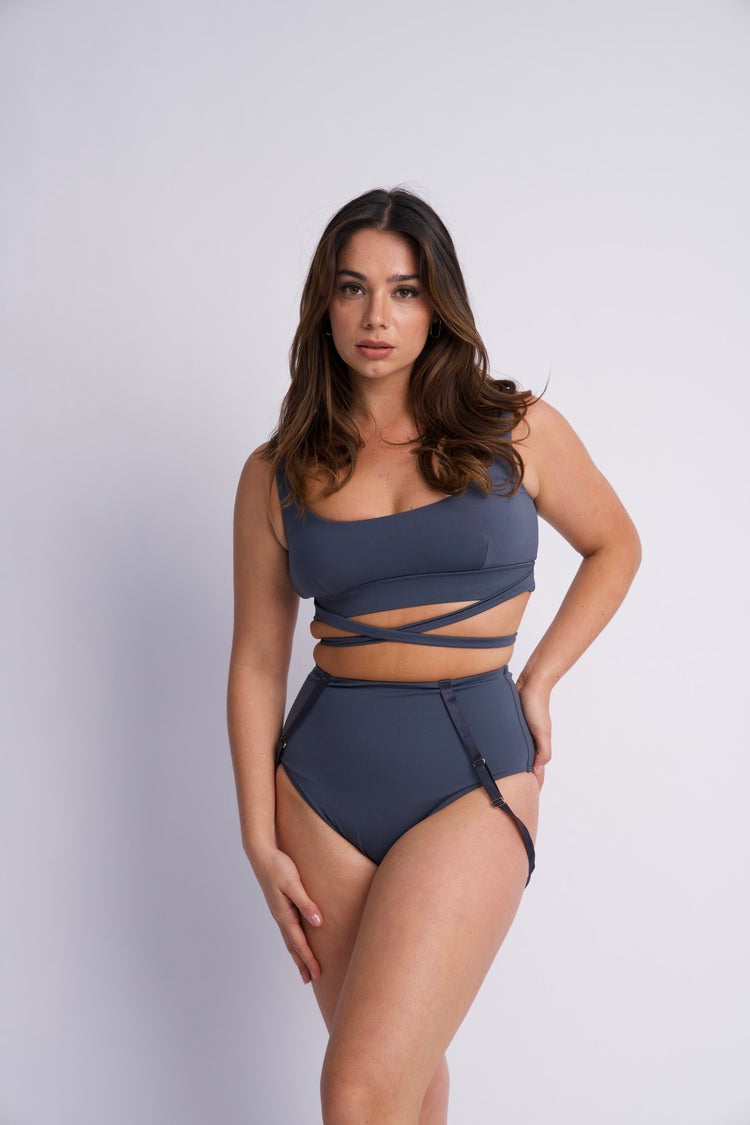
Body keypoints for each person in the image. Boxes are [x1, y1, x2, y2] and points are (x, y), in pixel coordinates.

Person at [227, 186, 641, 1124]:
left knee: (357, 1090)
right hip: (320, 792)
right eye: (353, 288)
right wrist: (257, 836)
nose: (377, 316)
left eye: (404, 290)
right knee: (405, 1084)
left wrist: (540, 677)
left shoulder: (516, 429)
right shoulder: (276, 471)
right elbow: (255, 661)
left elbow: (616, 545)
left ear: (437, 303)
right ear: (325, 304)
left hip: (473, 777)